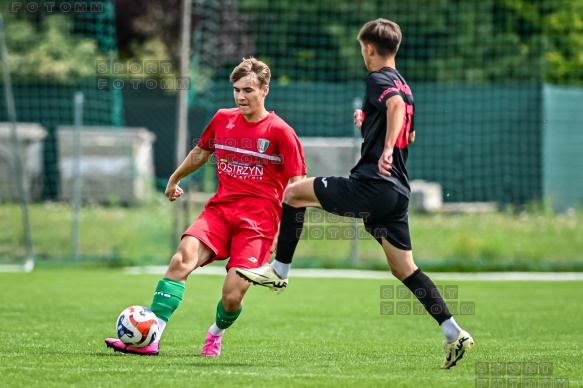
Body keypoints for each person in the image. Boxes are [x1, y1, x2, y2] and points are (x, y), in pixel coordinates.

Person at [236, 19, 474, 369]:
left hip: (372, 185)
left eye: (361, 48)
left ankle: (279, 271)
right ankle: (454, 332)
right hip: (397, 194)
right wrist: (372, 125)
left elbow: (393, 111)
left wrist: (387, 148)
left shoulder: (378, 79)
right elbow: (408, 128)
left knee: (294, 193)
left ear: (369, 49)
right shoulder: (404, 85)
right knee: (405, 268)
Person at [105, 58, 307, 357]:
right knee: (179, 261)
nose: (241, 96)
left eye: (248, 90)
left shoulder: (280, 132)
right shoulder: (223, 119)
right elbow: (202, 152)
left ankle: (215, 333)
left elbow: (298, 185)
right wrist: (175, 178)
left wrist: (284, 233)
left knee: (232, 296)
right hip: (220, 211)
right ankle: (151, 338)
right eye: (237, 90)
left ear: (265, 90)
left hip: (259, 223)